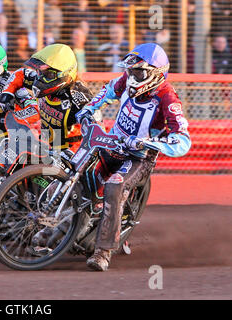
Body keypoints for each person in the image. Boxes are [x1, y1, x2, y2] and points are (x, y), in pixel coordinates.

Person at [75, 43, 192, 271]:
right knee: (80, 168)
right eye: (131, 70)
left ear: (156, 74)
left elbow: (183, 140)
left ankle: (103, 252)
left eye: (138, 72)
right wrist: (88, 110)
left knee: (115, 185)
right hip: (113, 143)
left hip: (139, 157)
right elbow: (106, 92)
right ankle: (57, 227)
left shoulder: (168, 98)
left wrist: (150, 142)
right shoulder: (126, 81)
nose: (132, 76)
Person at [0, 43, 96, 154]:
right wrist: (7, 92)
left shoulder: (80, 100)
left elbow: (96, 133)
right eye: (39, 72)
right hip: (46, 147)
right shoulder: (41, 81)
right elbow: (21, 74)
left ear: (64, 74)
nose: (40, 78)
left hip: (70, 156)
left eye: (48, 74)